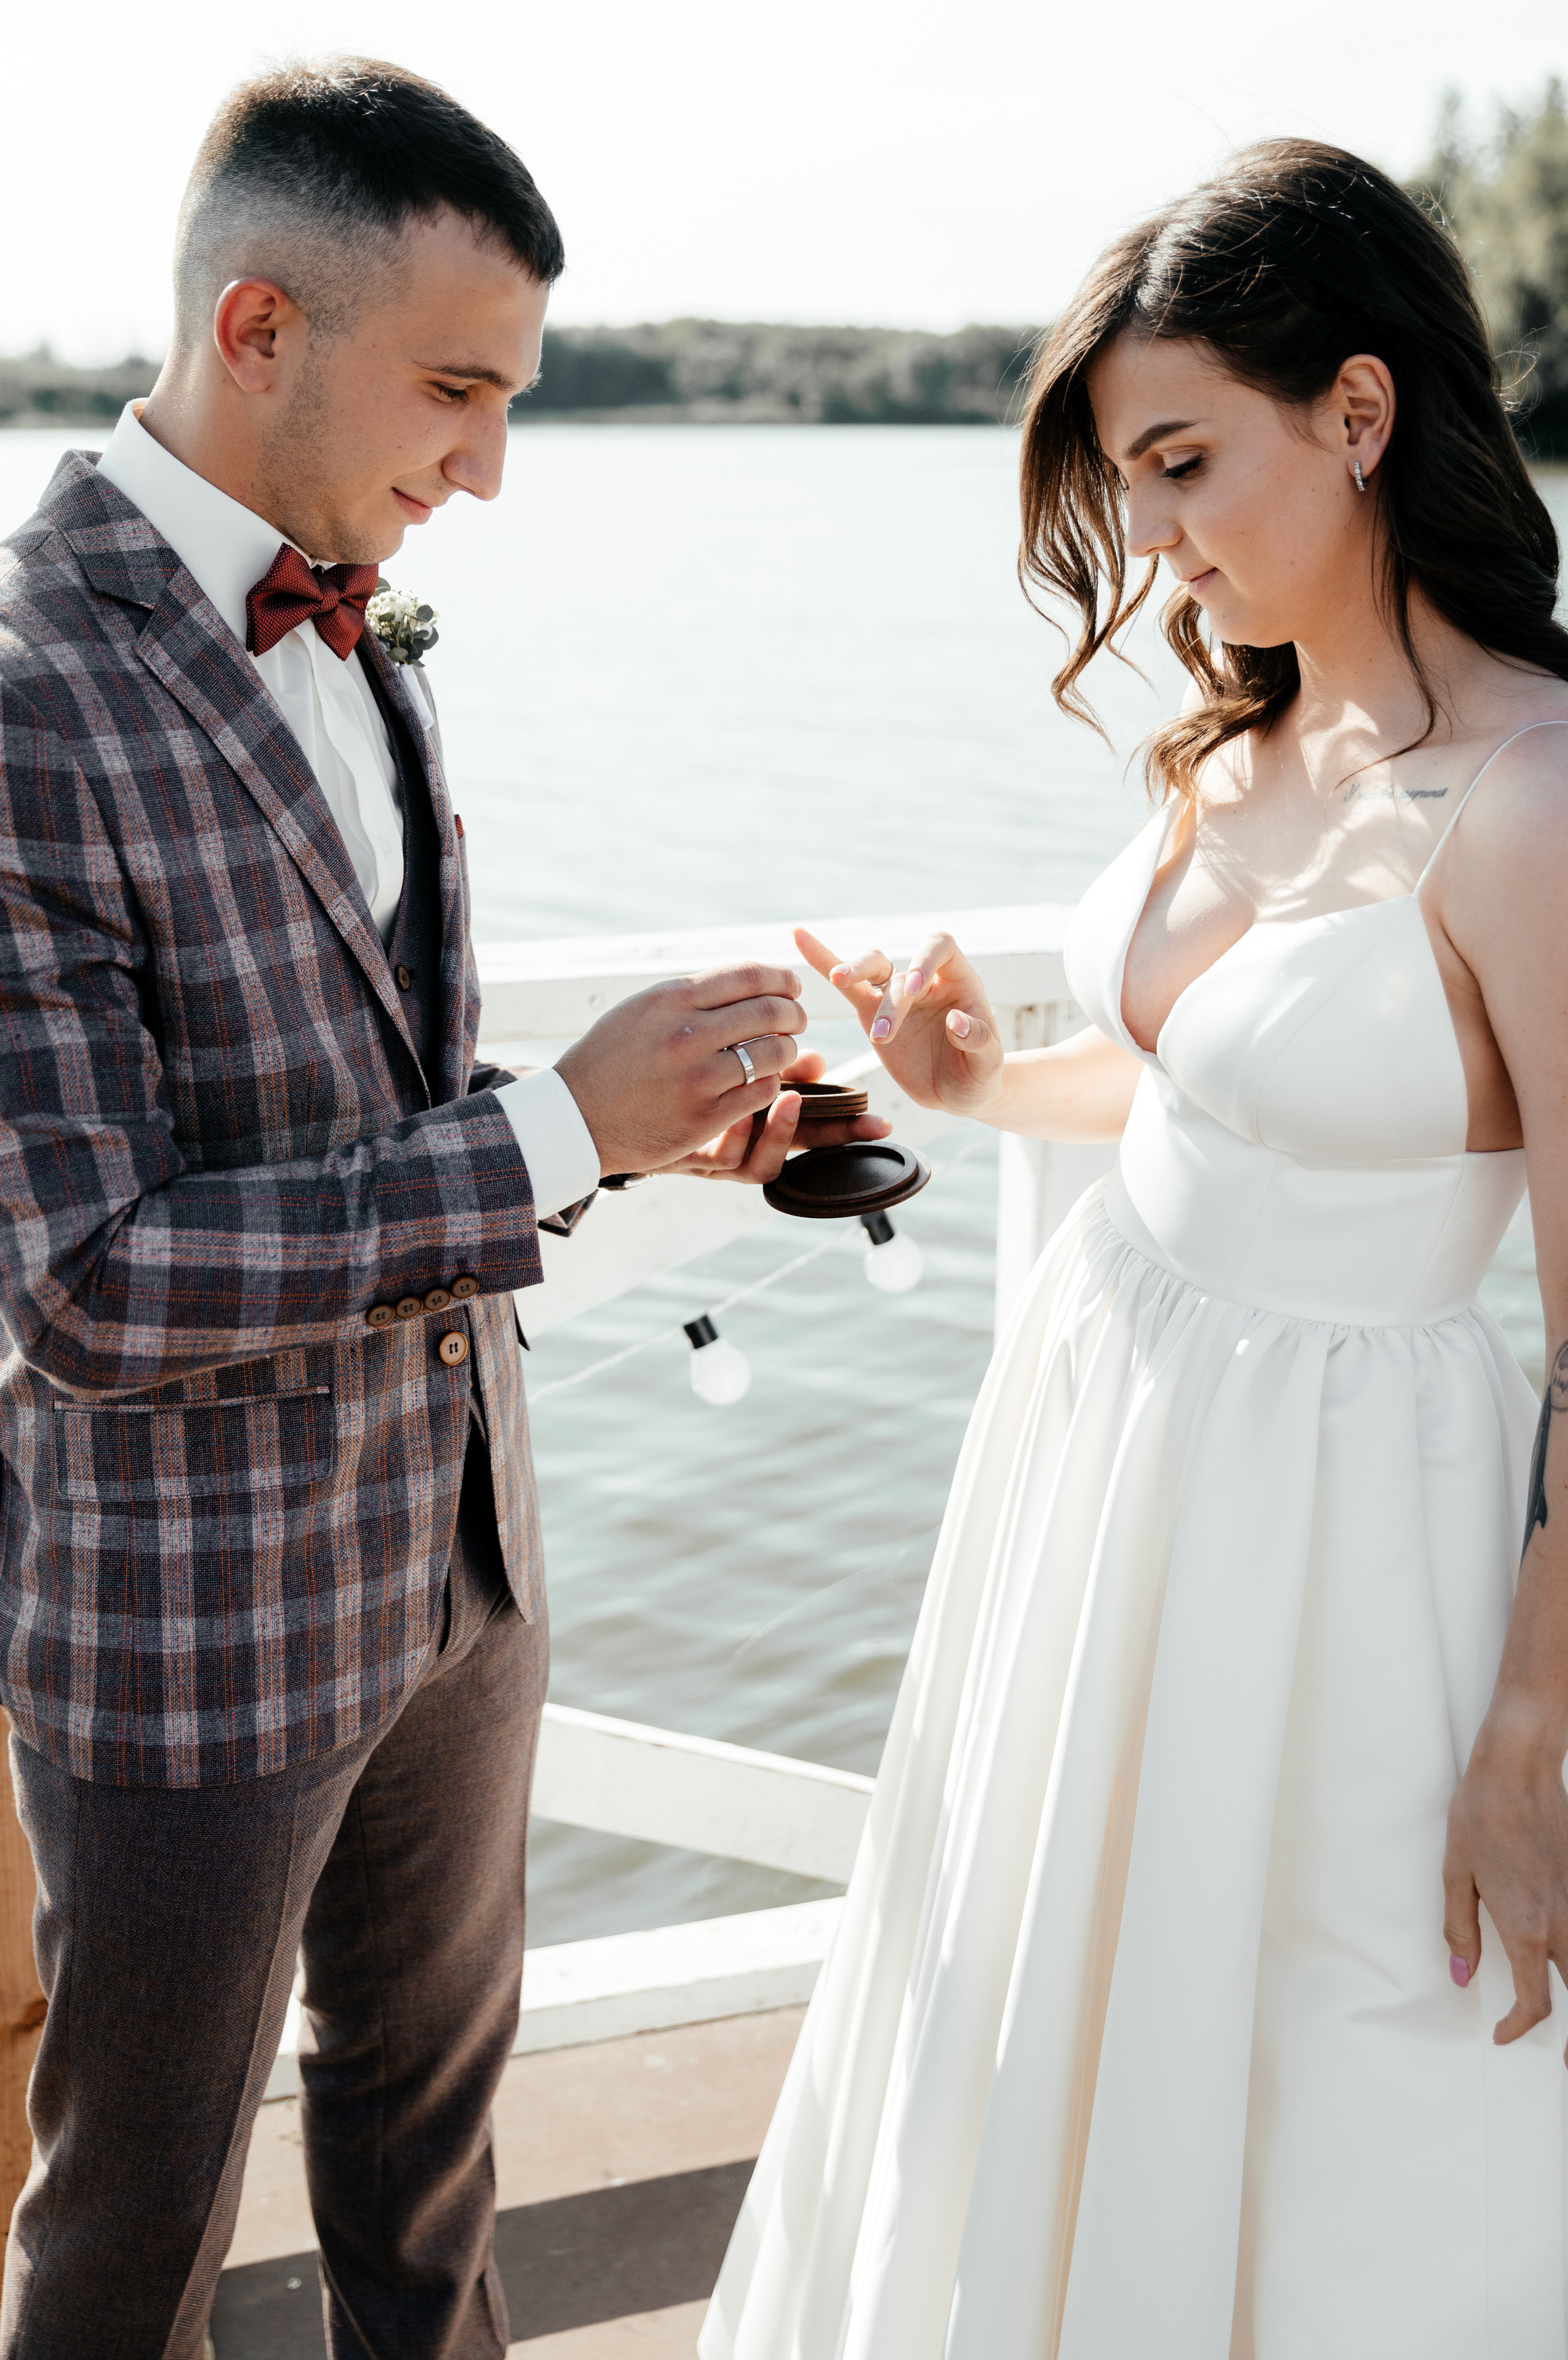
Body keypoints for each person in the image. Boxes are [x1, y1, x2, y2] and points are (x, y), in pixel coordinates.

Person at [0, 57, 885, 2360]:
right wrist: (538, 1143)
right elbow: (88, 1281)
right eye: (461, 389)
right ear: (259, 330)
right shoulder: (21, 693)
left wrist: (641, 1128)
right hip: (191, 1635)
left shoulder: (363, 613)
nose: (490, 463)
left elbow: (368, 1092)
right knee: (129, 2252)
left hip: (467, 1565)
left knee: (435, 2196)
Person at [702, 140, 1568, 2359]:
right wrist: (985, 1079)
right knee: (1034, 1994)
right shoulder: (1247, 723)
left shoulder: (1537, 799)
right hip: (1098, 1457)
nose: (1160, 542)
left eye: (1185, 464)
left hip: (1356, 1525)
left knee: (1339, 2053)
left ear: (1360, 415)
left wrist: (1539, 1726)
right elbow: (1201, 1086)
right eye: (1131, 480)